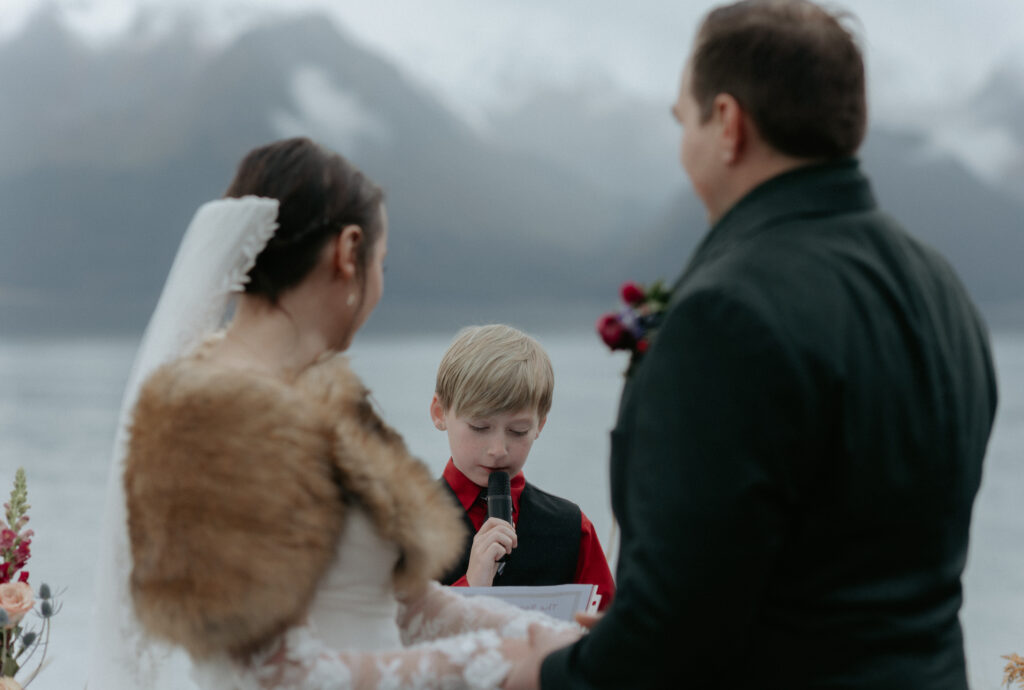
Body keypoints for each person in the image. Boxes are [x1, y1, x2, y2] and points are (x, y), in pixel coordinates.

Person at [507, 1, 999, 688]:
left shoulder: (726, 314)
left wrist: (546, 672)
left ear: (729, 125)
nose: (684, 145)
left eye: (685, 121)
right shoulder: (943, 290)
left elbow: (679, 631)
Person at [89, 137, 579, 690]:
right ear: (349, 253)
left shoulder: (332, 405)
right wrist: (510, 665)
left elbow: (406, 606)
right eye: (382, 262)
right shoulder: (215, 422)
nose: (379, 283)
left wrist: (556, 641)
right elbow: (272, 674)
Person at [430, 325, 615, 610]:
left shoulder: (572, 528)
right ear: (440, 413)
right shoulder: (394, 525)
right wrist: (470, 588)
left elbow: (609, 636)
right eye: (480, 427)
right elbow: (373, 643)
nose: (498, 450)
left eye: (518, 431)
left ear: (539, 425)